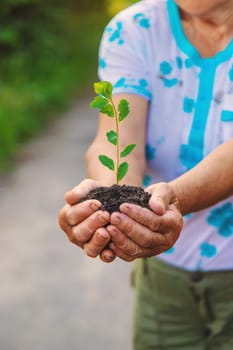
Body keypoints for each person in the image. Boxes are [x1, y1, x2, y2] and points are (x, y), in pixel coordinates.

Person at [58, 0, 233, 348]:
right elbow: (119, 141)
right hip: (165, 281)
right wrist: (108, 209)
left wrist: (168, 202)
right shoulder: (136, 29)